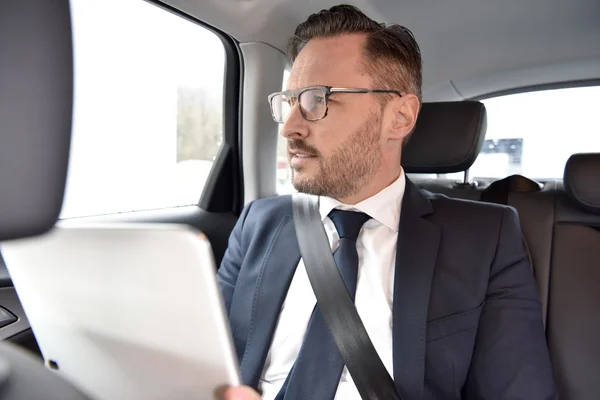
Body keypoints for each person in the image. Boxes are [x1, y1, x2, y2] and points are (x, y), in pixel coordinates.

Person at [217, 4, 557, 399]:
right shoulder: (258, 222)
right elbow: (204, 360)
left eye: (317, 99)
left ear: (399, 117)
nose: (290, 127)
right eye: (288, 101)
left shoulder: (487, 236)